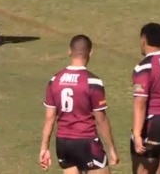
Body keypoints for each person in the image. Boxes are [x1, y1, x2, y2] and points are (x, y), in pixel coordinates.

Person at [39, 35, 119, 174]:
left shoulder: (55, 80)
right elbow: (101, 119)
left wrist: (44, 148)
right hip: (86, 141)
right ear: (90, 53)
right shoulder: (93, 82)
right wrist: (111, 148)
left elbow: (50, 118)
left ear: (69, 51)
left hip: (63, 143)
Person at [131, 23, 160, 174]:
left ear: (143, 40)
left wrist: (137, 134)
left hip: (154, 124)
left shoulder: (144, 67)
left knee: (143, 171)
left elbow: (140, 103)